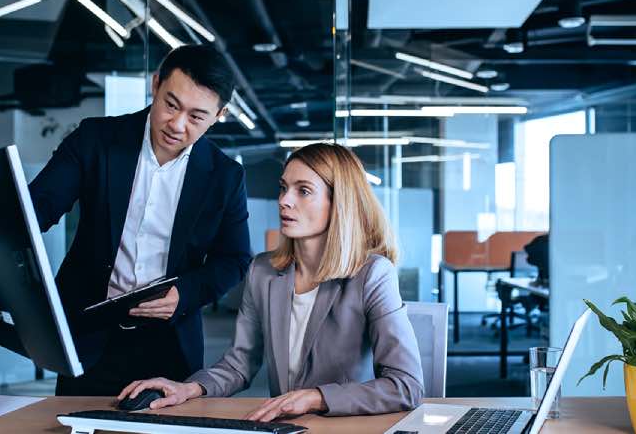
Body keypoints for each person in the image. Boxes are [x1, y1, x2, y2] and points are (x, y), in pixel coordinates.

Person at [118, 143, 425, 420]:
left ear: (339, 202)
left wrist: (316, 398)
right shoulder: (263, 271)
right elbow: (239, 364)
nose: (284, 201)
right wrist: (189, 388)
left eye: (303, 191)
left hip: (348, 427)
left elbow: (406, 385)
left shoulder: (372, 274)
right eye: (283, 188)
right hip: (283, 428)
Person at [28, 45, 252, 395]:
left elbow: (234, 260)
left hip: (169, 343)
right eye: (171, 105)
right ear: (156, 84)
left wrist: (185, 294)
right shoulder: (95, 140)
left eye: (196, 117)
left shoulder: (225, 177)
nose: (177, 125)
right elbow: (38, 208)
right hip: (89, 336)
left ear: (219, 115)